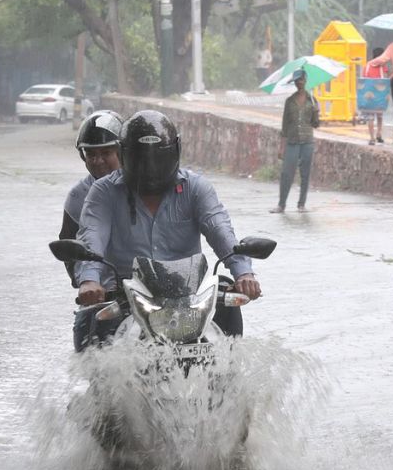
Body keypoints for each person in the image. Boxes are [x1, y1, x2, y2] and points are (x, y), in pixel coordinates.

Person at [75, 110, 261, 348]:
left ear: (176, 152)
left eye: (158, 159)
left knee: (227, 304)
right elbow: (92, 237)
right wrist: (89, 281)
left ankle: (230, 368)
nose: (150, 168)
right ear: (124, 155)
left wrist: (244, 274)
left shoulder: (196, 188)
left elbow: (220, 230)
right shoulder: (103, 192)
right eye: (141, 160)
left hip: (188, 296)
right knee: (89, 328)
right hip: (126, 295)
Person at [63, 110, 123, 351]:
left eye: (106, 153)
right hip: (105, 295)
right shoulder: (78, 196)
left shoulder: (143, 186)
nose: (98, 161)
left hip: (150, 287)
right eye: (91, 154)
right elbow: (68, 242)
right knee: (86, 339)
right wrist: (85, 283)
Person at [272, 68, 319, 213]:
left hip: (307, 142)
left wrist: (316, 113)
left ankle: (301, 205)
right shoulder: (290, 101)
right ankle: (281, 205)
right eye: (297, 81)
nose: (299, 83)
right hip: (292, 142)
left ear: (305, 80)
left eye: (301, 80)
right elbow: (284, 126)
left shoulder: (312, 101)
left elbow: (315, 124)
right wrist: (282, 147)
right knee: (286, 173)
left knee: (305, 174)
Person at [361, 48, 389, 145]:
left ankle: (372, 138)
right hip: (380, 94)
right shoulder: (383, 66)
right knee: (380, 116)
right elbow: (385, 80)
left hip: (369, 94)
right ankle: (379, 134)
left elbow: (364, 79)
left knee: (370, 117)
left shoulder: (367, 66)